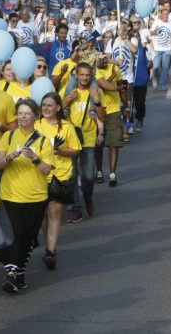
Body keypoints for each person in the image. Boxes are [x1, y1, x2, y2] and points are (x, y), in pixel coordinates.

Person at [0, 98, 54, 293]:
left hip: (36, 197)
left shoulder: (44, 141)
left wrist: (35, 158)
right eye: (19, 113)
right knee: (14, 235)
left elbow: (47, 170)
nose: (22, 117)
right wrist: (9, 159)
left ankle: (19, 274)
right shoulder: (9, 137)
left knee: (28, 237)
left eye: (27, 113)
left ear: (36, 116)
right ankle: (10, 273)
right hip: (11, 195)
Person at [36, 92, 80, 267]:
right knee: (43, 216)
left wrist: (60, 151)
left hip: (61, 175)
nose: (46, 108)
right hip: (39, 175)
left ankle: (51, 251)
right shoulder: (35, 125)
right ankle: (48, 244)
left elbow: (76, 150)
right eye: (44, 105)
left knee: (54, 213)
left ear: (58, 108)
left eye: (50, 105)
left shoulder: (67, 127)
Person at [62, 63, 106, 222]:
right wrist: (67, 99)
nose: (85, 78)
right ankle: (76, 207)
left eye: (87, 75)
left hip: (88, 139)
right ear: (77, 75)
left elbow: (102, 117)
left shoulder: (95, 91)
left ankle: (88, 197)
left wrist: (97, 99)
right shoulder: (70, 91)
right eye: (82, 75)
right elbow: (57, 110)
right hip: (70, 140)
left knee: (88, 176)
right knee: (72, 176)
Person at [96, 54, 123, 186]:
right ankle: (99, 171)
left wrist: (126, 105)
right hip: (98, 112)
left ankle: (112, 174)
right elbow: (103, 85)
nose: (102, 60)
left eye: (104, 57)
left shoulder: (115, 68)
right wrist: (112, 78)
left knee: (114, 144)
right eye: (100, 58)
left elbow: (121, 86)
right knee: (98, 144)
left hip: (114, 110)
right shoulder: (94, 70)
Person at [150, 8, 171, 91]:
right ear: (161, 15)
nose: (166, 16)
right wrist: (155, 31)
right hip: (157, 49)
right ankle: (154, 79)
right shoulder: (156, 22)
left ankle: (162, 85)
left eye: (167, 14)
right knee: (156, 67)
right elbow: (150, 33)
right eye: (164, 14)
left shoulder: (170, 24)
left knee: (165, 68)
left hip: (167, 49)